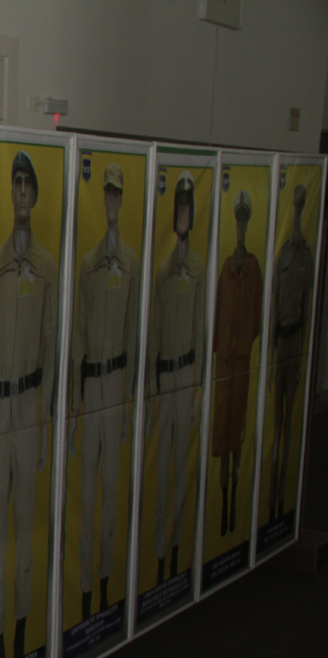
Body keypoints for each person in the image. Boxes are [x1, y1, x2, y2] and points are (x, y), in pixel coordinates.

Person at [0, 150, 57, 658]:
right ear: (10, 192)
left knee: (26, 526)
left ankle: (23, 626)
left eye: (28, 183)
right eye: (16, 182)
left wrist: (46, 425)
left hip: (29, 407)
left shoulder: (46, 268)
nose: (22, 191)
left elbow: (51, 348)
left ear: (36, 194)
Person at [68, 163, 139, 620]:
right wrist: (75, 409)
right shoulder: (88, 265)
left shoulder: (131, 264)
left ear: (123, 199)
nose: (112, 201)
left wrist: (131, 402)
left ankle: (108, 582)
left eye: (118, 194)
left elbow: (133, 334)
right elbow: (77, 341)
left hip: (116, 385)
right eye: (107, 194)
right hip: (91, 386)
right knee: (88, 496)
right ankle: (85, 590)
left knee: (111, 493)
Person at [147, 171, 205, 585]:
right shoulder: (162, 272)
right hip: (165, 378)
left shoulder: (199, 269)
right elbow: (152, 338)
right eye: (179, 205)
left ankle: (177, 551)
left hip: (187, 376)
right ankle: (158, 556)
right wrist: (152, 394)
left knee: (181, 471)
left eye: (188, 205)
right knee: (162, 473)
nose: (183, 211)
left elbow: (201, 332)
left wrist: (199, 389)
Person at [211, 189, 263, 535]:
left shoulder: (254, 270)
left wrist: (243, 346)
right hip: (224, 367)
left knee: (238, 434)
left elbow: (257, 318)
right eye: (238, 220)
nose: (241, 226)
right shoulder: (227, 268)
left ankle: (234, 499)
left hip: (241, 365)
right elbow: (217, 316)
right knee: (222, 436)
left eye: (245, 220)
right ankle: (223, 502)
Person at [268, 184, 313, 522]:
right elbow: (273, 308)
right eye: (294, 206)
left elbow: (307, 306)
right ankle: (271, 495)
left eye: (301, 205)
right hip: (281, 342)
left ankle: (284, 494)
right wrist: (270, 358)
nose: (296, 212)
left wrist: (304, 357)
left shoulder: (307, 256)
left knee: (289, 425)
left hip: (296, 342)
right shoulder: (281, 254)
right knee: (276, 424)